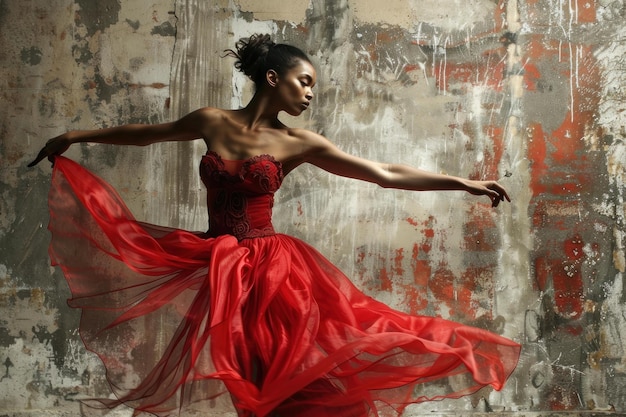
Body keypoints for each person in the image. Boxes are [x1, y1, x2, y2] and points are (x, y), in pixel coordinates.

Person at [30, 34, 520, 417]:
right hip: (216, 261)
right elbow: (146, 135)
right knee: (243, 368)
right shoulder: (211, 120)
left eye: (312, 86)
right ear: (271, 77)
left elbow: (385, 173)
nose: (309, 93)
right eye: (303, 81)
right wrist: (76, 135)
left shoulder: (300, 142)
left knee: (285, 368)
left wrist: (462, 182)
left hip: (272, 268)